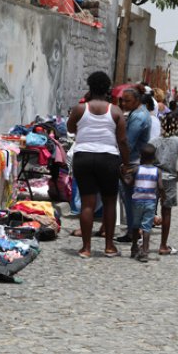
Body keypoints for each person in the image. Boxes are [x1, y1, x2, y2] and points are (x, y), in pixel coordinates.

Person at [66, 71, 130, 259]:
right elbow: (123, 140)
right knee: (110, 202)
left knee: (87, 203)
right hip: (108, 158)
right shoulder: (116, 111)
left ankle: (86, 248)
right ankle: (109, 246)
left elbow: (70, 129)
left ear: (90, 87)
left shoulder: (80, 109)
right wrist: (127, 164)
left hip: (84, 157)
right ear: (108, 89)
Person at [115, 87, 151, 245]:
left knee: (129, 198)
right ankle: (133, 230)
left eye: (127, 100)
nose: (123, 103)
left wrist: (124, 163)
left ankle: (133, 231)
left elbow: (128, 143)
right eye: (122, 100)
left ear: (137, 100)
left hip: (132, 161)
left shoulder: (137, 117)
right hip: (134, 160)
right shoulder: (140, 113)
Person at [150, 115, 178, 255]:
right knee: (166, 212)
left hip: (153, 178)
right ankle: (163, 245)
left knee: (148, 210)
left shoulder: (154, 141)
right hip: (170, 179)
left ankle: (143, 243)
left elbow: (146, 156)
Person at [130, 144, 165, 263]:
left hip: (136, 202)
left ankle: (134, 248)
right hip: (150, 202)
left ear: (140, 156)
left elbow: (129, 183)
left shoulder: (136, 169)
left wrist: (121, 175)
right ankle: (144, 252)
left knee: (135, 226)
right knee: (146, 227)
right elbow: (160, 186)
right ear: (154, 157)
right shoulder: (157, 171)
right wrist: (163, 197)